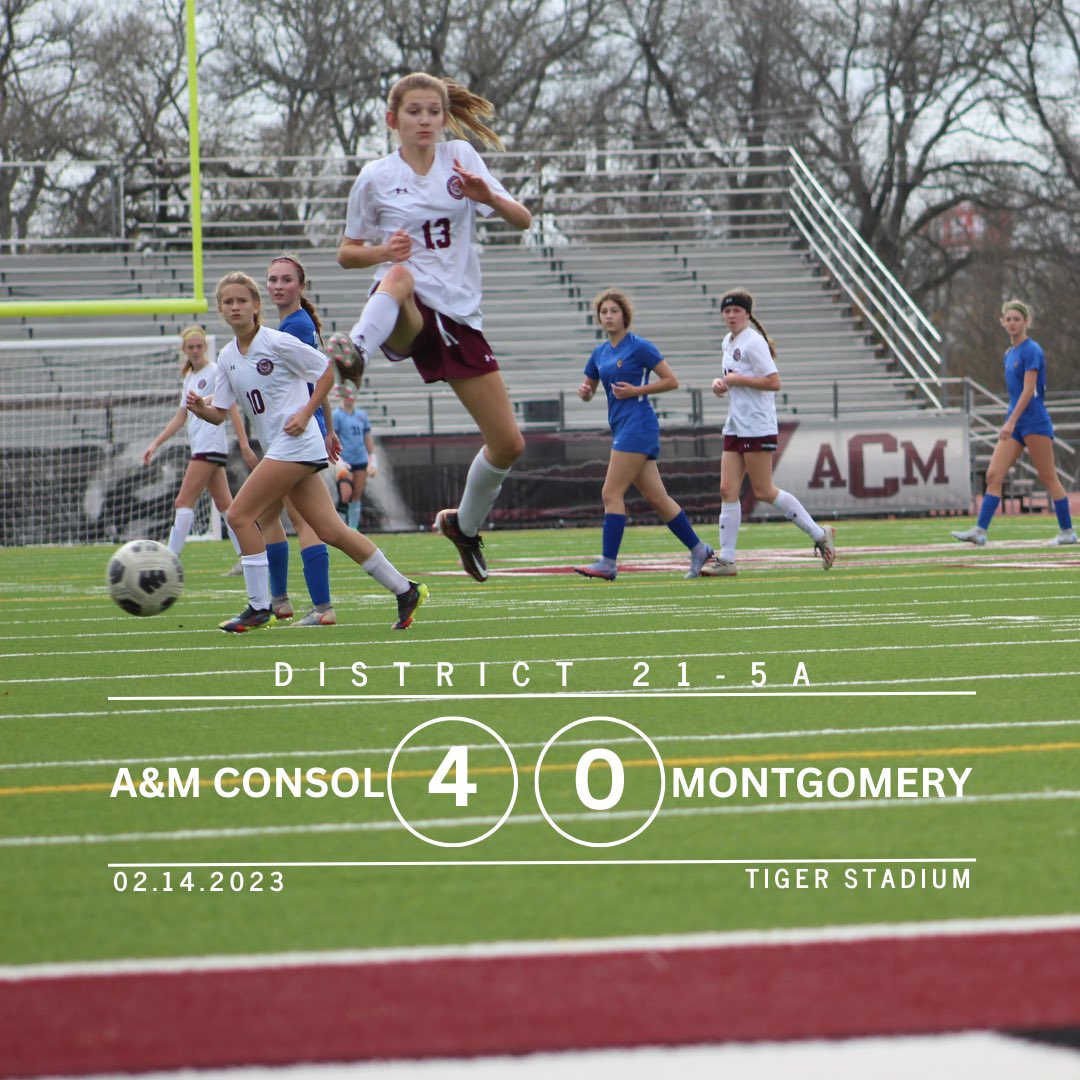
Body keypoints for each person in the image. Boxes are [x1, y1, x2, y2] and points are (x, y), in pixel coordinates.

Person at [335, 71, 531, 582]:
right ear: (392, 119)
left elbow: (523, 219)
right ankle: (355, 351)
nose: (424, 120)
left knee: (509, 443)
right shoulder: (375, 176)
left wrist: (485, 195)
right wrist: (382, 252)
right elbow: (347, 253)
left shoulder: (461, 159)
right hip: (406, 310)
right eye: (414, 111)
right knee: (397, 276)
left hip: (459, 316)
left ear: (444, 118)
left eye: (433, 112)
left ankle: (463, 527)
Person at [186, 272, 427, 634]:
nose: (235, 307)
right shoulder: (226, 357)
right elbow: (218, 412)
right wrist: (198, 407)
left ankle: (259, 607)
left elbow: (328, 370)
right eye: (228, 302)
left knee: (239, 515)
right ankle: (405, 589)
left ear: (256, 306)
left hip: (296, 445)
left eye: (242, 300)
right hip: (283, 448)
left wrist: (306, 412)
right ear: (220, 310)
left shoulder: (277, 341)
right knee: (330, 529)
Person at [573, 289, 714, 580]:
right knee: (657, 498)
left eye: (613, 311)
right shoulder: (599, 353)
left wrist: (637, 391)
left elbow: (672, 380)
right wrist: (585, 392)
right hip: (622, 428)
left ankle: (609, 563)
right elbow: (589, 390)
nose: (608, 316)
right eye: (603, 312)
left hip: (639, 426)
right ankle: (699, 549)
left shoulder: (639, 347)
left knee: (611, 492)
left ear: (624, 315)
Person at [706, 288, 836, 575]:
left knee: (764, 490)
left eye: (736, 311)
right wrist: (722, 385)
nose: (731, 316)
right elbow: (735, 382)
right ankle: (727, 560)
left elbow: (773, 382)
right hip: (736, 424)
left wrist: (737, 379)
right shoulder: (727, 342)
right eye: (727, 311)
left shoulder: (753, 342)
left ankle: (819, 534)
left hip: (756, 425)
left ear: (747, 314)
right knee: (727, 489)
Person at [952, 299, 1076, 547]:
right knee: (993, 475)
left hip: (1034, 422)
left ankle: (1067, 532)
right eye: (1008, 319)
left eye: (1016, 319)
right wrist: (1011, 422)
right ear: (1002, 322)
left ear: (1026, 322)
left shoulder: (1032, 350)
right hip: (1016, 422)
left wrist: (1010, 422)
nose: (1012, 323)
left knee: (1048, 476)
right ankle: (980, 531)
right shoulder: (1008, 354)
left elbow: (1029, 391)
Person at [264, 253, 338, 626]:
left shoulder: (295, 327)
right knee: (266, 513)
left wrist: (321, 425)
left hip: (296, 433)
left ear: (301, 285)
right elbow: (317, 377)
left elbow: (320, 377)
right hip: (299, 430)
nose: (278, 286)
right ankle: (279, 601)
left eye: (286, 280)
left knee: (305, 520)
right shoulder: (296, 324)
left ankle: (320, 607)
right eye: (273, 280)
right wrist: (329, 426)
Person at [143, 325, 258, 559]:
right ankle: (247, 555)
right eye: (190, 347)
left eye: (199, 346)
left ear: (206, 347)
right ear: (183, 349)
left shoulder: (215, 371)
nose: (195, 350)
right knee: (226, 506)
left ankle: (169, 560)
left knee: (183, 500)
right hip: (202, 446)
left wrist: (244, 444)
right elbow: (180, 417)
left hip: (210, 445)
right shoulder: (190, 377)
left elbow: (232, 409)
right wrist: (156, 443)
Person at [332, 383, 377, 529]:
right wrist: (338, 459)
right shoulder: (337, 415)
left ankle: (353, 530)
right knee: (346, 494)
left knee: (357, 494)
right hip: (345, 460)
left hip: (360, 459)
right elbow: (333, 437)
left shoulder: (361, 415)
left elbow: (367, 437)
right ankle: (339, 529)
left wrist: (372, 457)